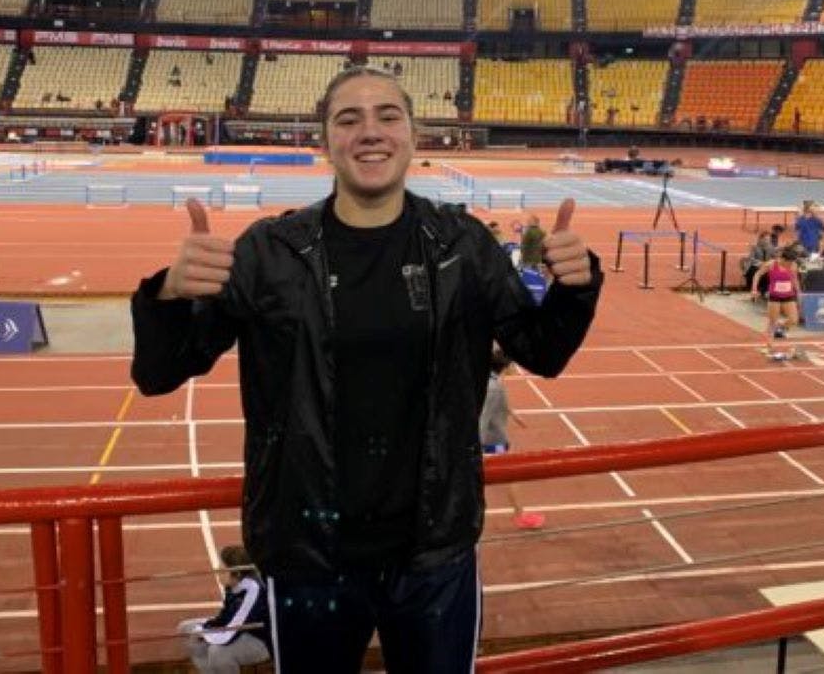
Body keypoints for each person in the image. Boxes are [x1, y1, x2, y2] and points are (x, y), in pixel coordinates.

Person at [131, 66, 602, 673]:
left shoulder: (463, 245)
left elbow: (543, 351)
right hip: (308, 555)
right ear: (325, 142)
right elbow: (159, 373)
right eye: (348, 119)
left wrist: (574, 288)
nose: (370, 132)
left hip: (434, 555)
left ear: (413, 134)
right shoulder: (269, 252)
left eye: (387, 116)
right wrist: (169, 294)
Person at [178, 545, 271, 673]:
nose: (217, 571)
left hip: (261, 640)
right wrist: (204, 628)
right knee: (186, 628)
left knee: (217, 652)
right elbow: (224, 617)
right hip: (239, 628)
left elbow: (234, 629)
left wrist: (204, 633)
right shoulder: (232, 583)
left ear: (237, 574)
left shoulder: (253, 590)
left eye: (222, 570)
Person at [751, 247, 803, 360]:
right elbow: (757, 274)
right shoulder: (771, 264)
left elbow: (795, 280)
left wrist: (799, 293)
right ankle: (768, 346)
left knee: (794, 320)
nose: (790, 265)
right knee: (772, 323)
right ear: (783, 259)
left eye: (792, 263)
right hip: (774, 297)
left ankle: (780, 327)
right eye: (789, 262)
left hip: (788, 296)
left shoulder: (793, 266)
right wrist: (754, 289)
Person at [479, 349, 526, 455]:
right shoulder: (494, 388)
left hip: (494, 439)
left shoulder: (492, 380)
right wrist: (477, 449)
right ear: (505, 367)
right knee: (501, 460)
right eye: (513, 365)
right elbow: (482, 419)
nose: (515, 368)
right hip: (492, 442)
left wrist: (512, 413)